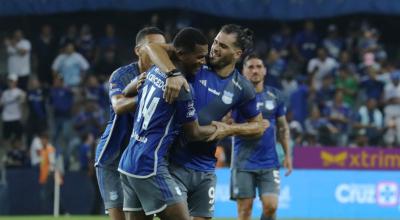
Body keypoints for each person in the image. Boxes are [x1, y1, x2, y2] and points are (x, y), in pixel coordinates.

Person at [136, 24, 268, 220]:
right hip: (173, 162)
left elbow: (259, 125)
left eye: (223, 46)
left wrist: (228, 130)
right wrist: (171, 72)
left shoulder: (242, 87)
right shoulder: (195, 60)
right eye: (215, 41)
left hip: (205, 168)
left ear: (237, 54)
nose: (214, 48)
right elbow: (151, 49)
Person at [118, 27, 229, 220]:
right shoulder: (182, 88)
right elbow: (193, 133)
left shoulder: (153, 70)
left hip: (128, 162)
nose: (203, 63)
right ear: (181, 54)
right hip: (150, 165)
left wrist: (164, 74)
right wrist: (223, 129)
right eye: (199, 57)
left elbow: (127, 92)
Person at [94, 27, 167, 220]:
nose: (159, 52)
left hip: (143, 158)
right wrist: (148, 94)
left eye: (163, 47)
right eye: (153, 47)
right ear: (138, 50)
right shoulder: (123, 75)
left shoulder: (168, 76)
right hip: (114, 155)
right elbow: (118, 105)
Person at [229, 54, 292, 220]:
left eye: (258, 66)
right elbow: (227, 127)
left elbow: (283, 128)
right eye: (250, 67)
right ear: (243, 72)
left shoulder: (275, 96)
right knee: (244, 212)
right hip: (243, 162)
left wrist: (288, 155)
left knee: (271, 207)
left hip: (269, 162)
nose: (255, 70)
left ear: (265, 71)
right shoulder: (236, 97)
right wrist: (254, 127)